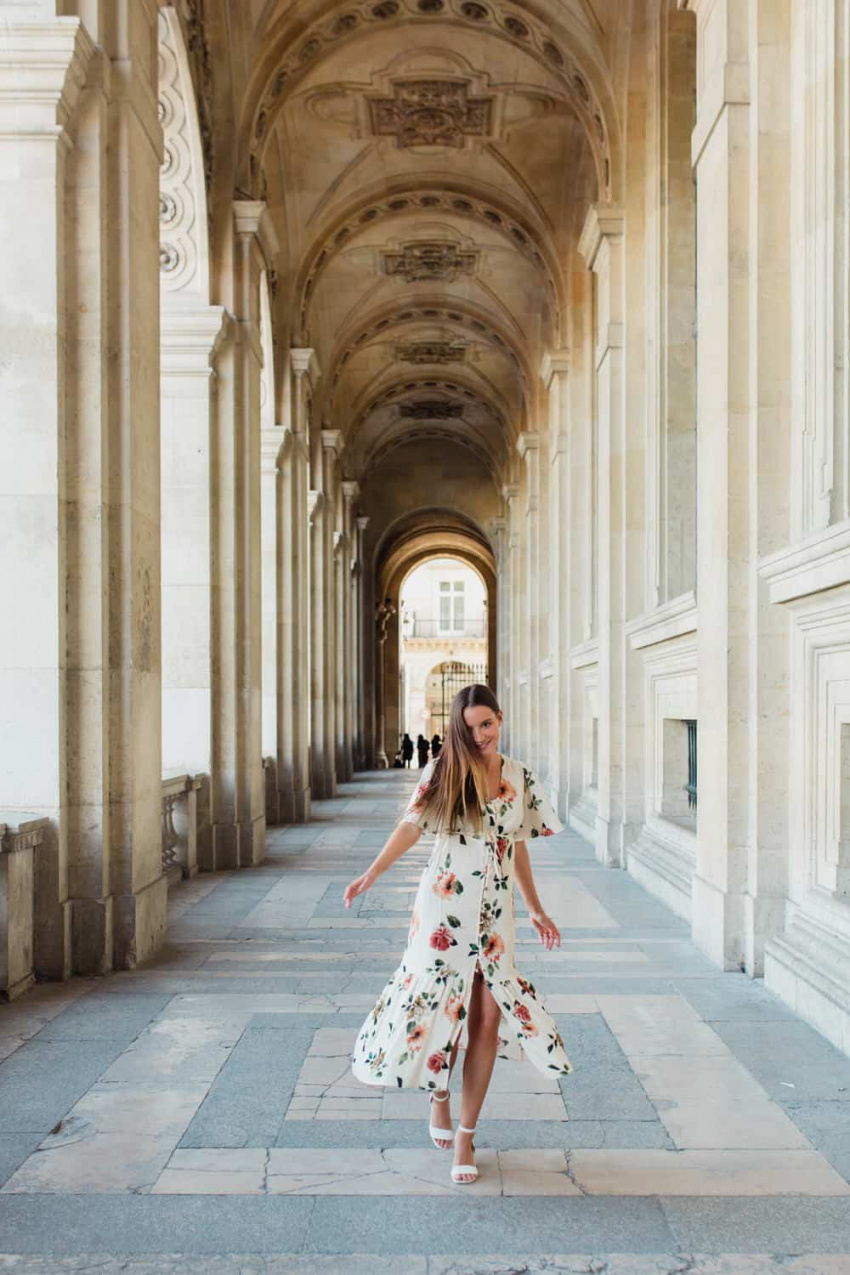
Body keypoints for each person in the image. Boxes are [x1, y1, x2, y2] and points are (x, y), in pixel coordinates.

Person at [344, 683, 570, 1186]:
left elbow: (517, 845)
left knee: (487, 1018)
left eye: (487, 724)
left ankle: (466, 1135)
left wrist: (535, 909)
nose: (480, 735)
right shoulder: (444, 769)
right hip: (444, 909)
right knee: (438, 1008)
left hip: (494, 917)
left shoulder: (518, 776)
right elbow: (411, 826)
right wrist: (371, 874)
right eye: (469, 728)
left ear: (500, 718)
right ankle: (438, 1094)